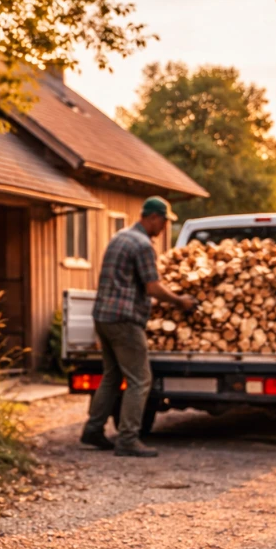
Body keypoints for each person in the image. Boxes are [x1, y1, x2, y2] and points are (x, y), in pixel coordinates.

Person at [81, 196, 195, 457]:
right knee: (140, 379)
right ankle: (128, 439)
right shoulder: (143, 245)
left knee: (111, 375)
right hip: (124, 320)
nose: (164, 227)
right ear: (153, 217)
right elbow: (153, 287)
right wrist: (180, 302)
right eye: (164, 222)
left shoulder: (120, 236)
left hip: (103, 316)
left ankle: (93, 430)